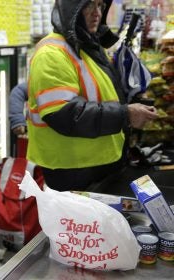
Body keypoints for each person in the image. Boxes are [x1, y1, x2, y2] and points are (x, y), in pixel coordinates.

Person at [27, 0, 158, 191]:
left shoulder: (88, 47)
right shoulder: (52, 53)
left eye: (100, 6)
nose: (97, 13)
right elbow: (64, 114)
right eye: (89, 5)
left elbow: (101, 96)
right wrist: (126, 114)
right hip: (72, 171)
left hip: (98, 166)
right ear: (71, 9)